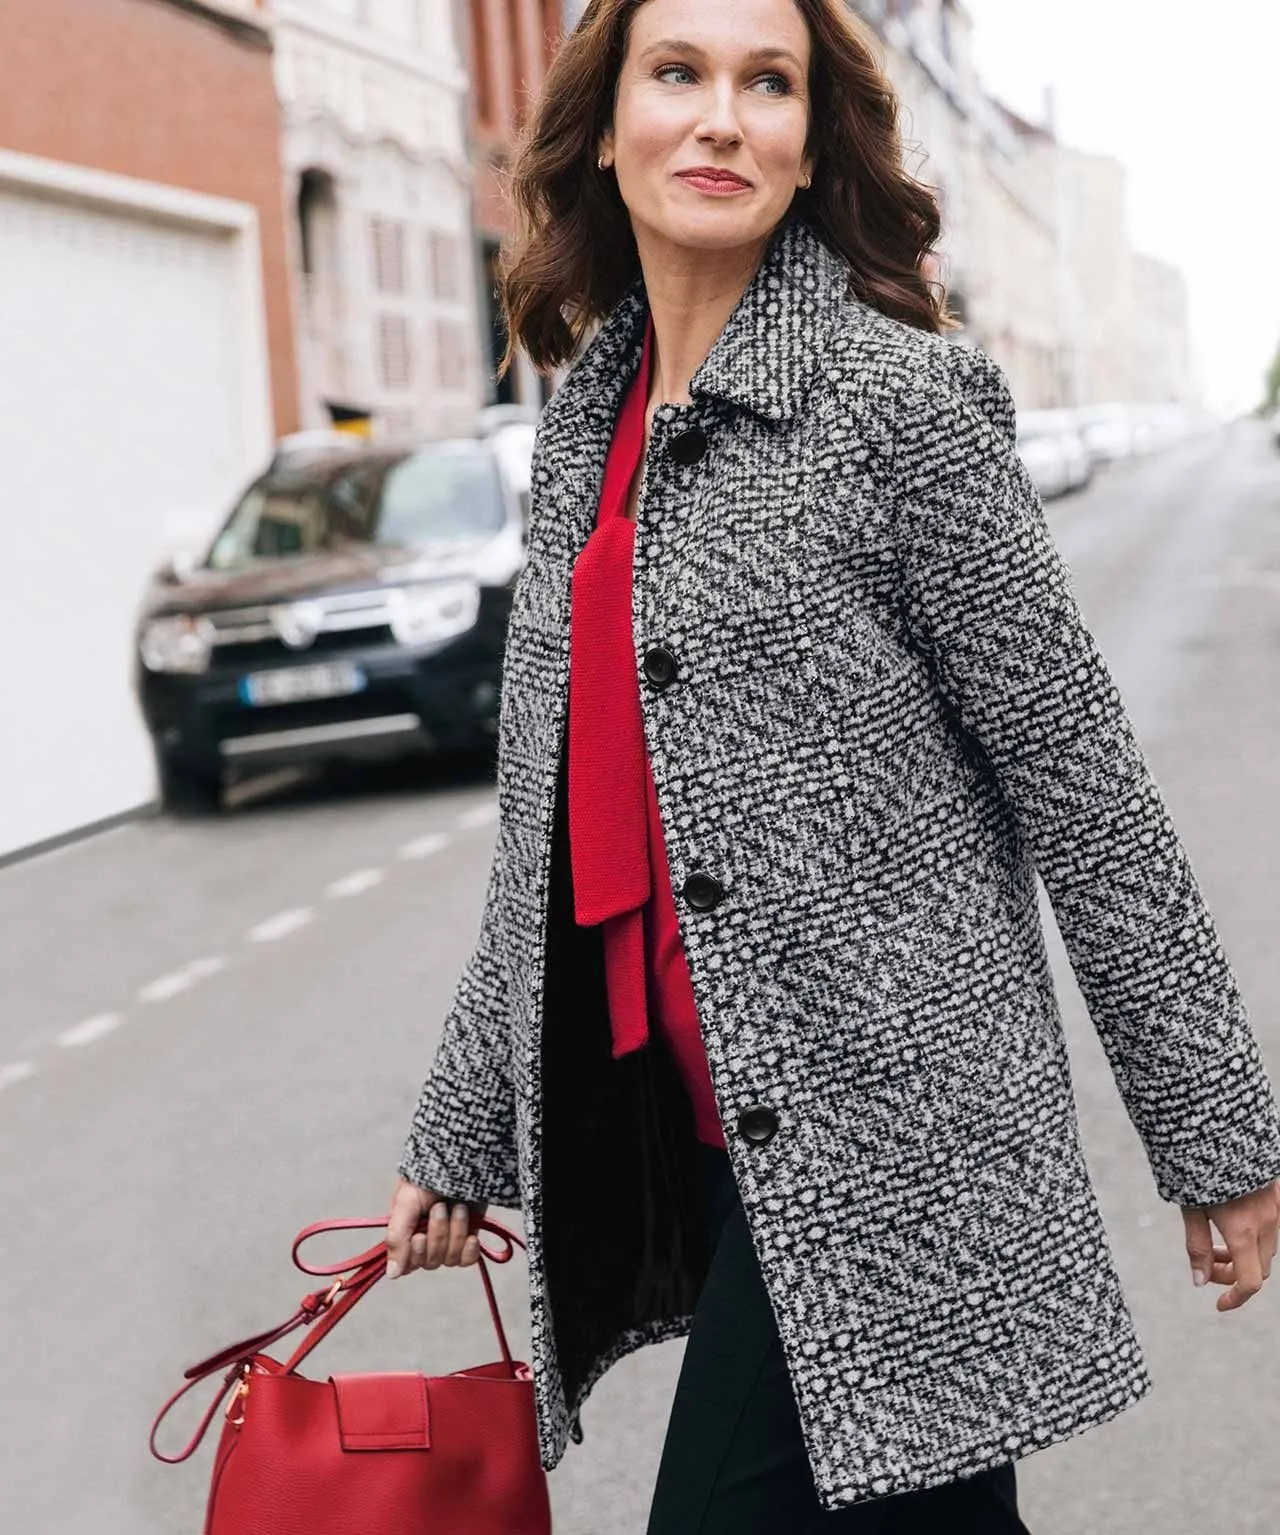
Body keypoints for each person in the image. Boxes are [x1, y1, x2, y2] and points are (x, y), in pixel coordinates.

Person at [384, 1, 1280, 1529]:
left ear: (812, 147)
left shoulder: (898, 407)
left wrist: (1215, 1133)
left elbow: (1085, 786)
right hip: (714, 1137)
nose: (723, 117)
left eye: (769, 83)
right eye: (679, 75)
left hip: (898, 1150)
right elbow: (545, 831)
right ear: (605, 128)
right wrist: (465, 1127)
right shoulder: (581, 434)